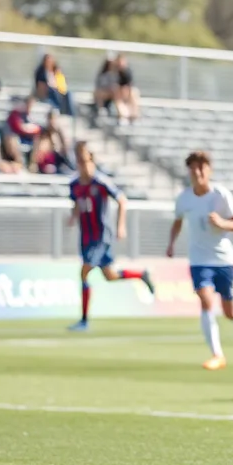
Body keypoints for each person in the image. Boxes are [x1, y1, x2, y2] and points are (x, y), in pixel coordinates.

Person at [166, 150, 233, 370]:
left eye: (202, 167)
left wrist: (222, 224)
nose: (197, 172)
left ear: (209, 170)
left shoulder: (220, 195)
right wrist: (171, 243)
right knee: (206, 301)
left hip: (223, 259)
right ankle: (218, 355)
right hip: (199, 260)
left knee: (228, 311)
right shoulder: (184, 198)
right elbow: (178, 220)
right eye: (193, 168)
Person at [67, 142, 155, 331]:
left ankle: (84, 320)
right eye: (81, 162)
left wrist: (120, 226)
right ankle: (141, 275)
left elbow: (122, 200)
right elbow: (77, 203)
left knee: (84, 271)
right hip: (86, 237)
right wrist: (73, 217)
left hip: (101, 237)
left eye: (87, 161)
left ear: (92, 162)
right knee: (110, 275)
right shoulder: (74, 185)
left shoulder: (101, 182)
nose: (84, 165)